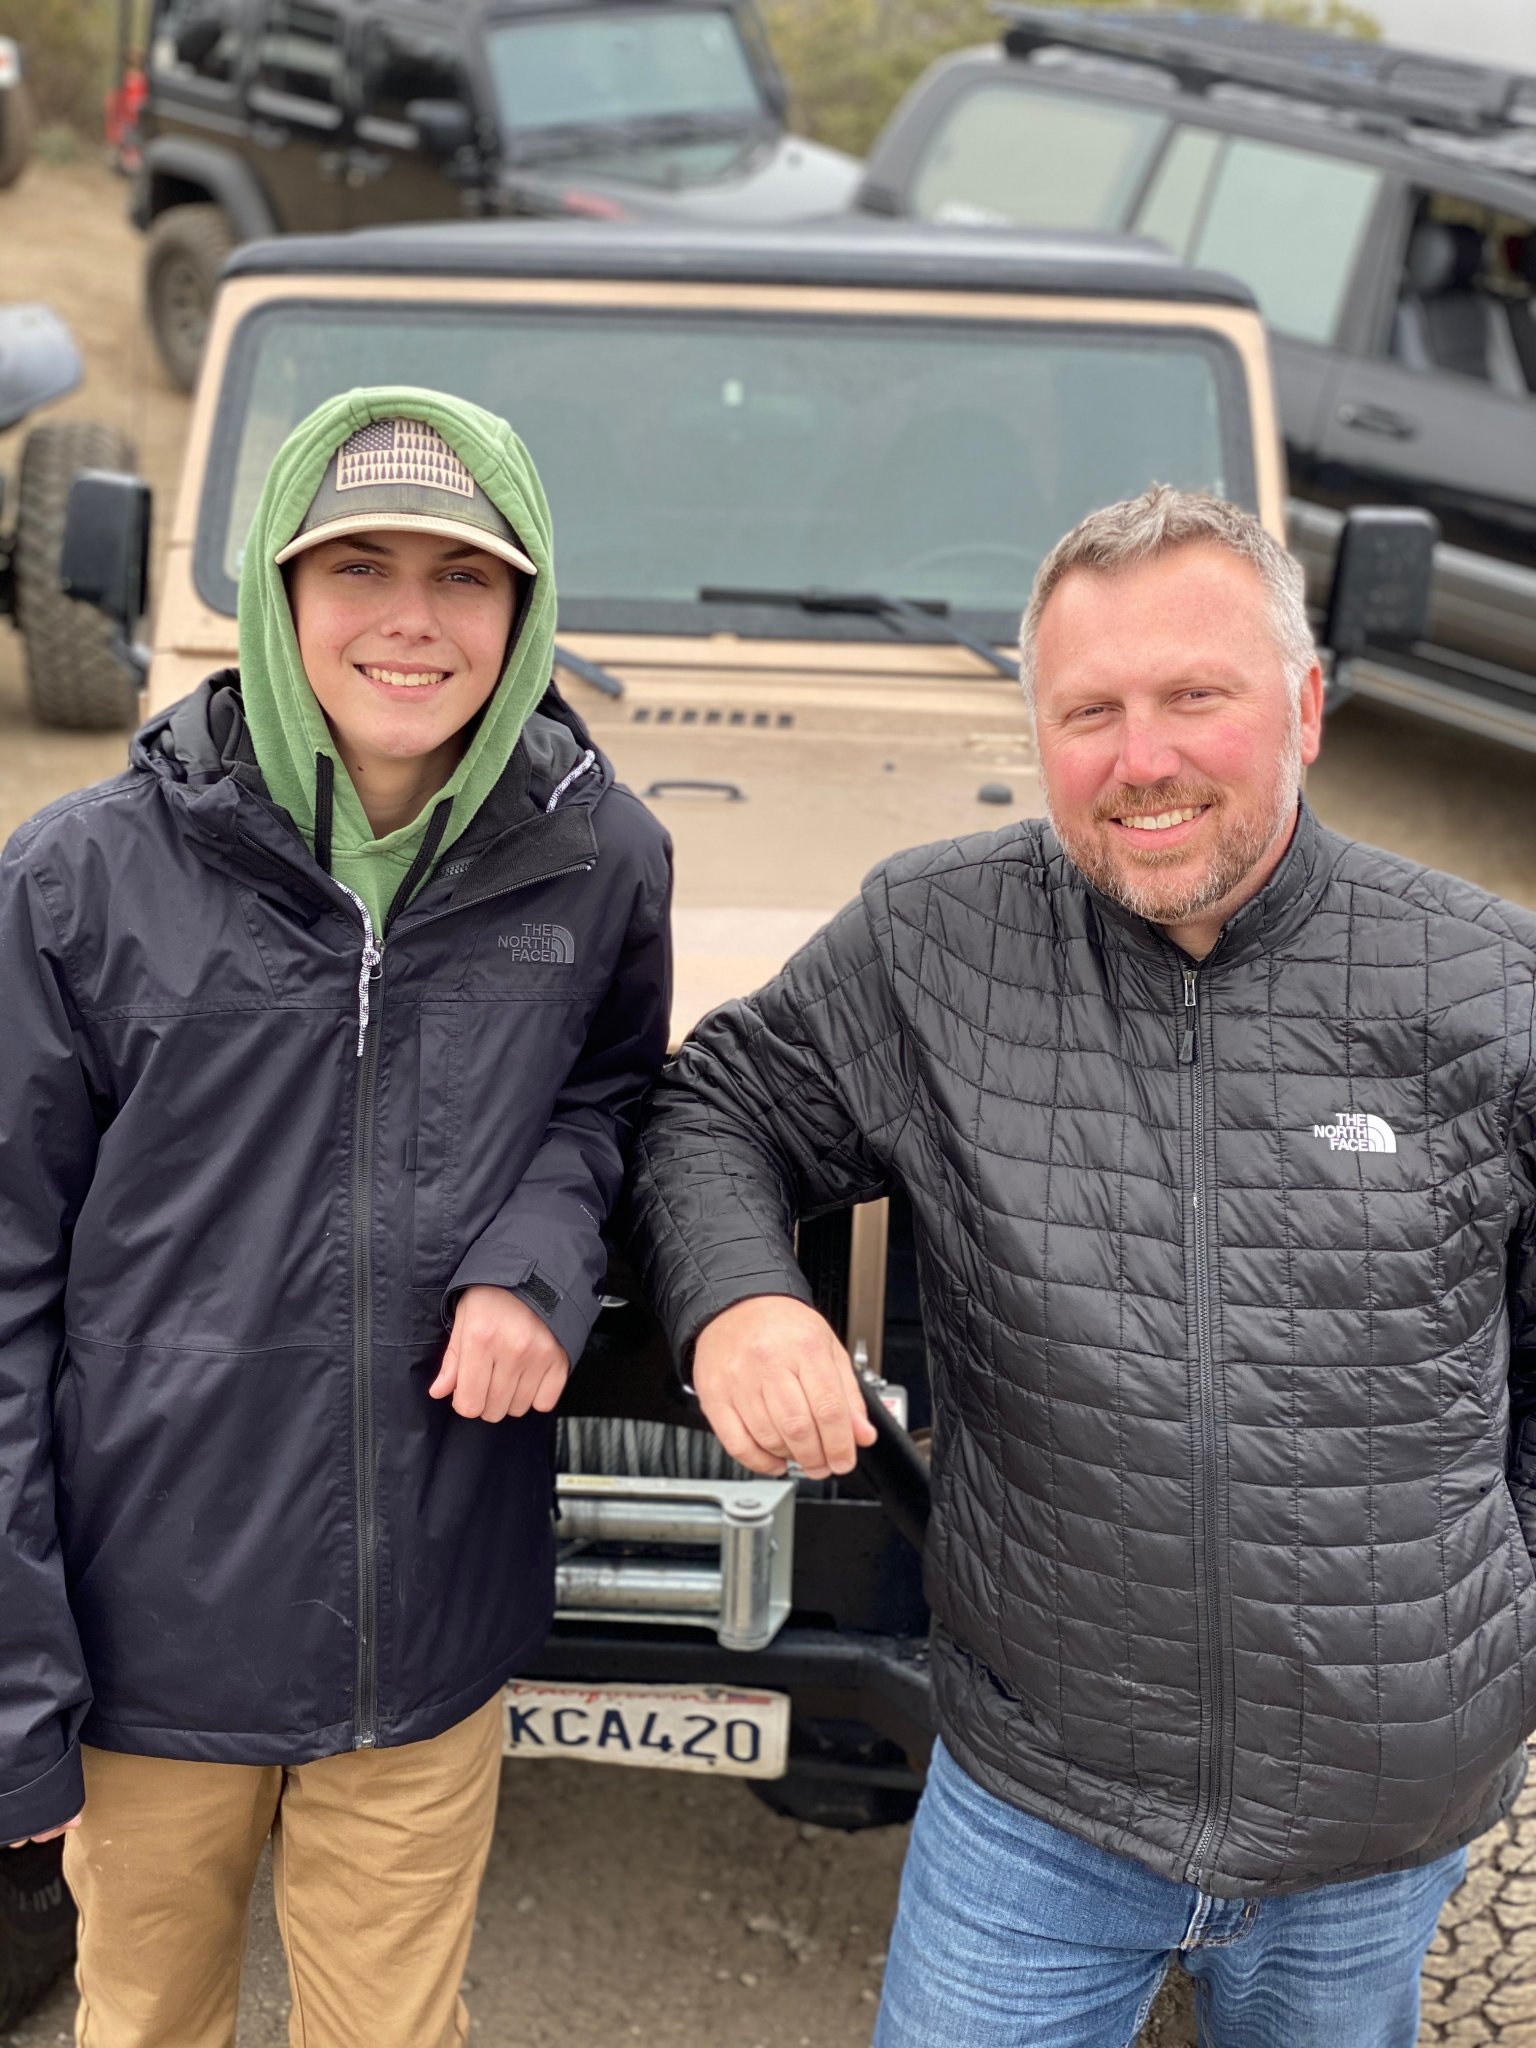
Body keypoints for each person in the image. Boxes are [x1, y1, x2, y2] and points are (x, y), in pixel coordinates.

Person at [628, 485, 1536, 2048]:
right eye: (1089, 711)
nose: (1145, 760)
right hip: (1036, 1804)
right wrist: (742, 1296)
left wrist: (1498, 1621)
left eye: (1198, 697)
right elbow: (717, 1105)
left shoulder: (1488, 985)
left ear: (1305, 706)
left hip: (1381, 1820)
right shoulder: (935, 938)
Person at [0, 389, 671, 2047]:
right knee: (145, 2019)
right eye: (356, 563)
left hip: (425, 1637)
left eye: (465, 575)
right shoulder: (78, 881)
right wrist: (21, 1691)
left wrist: (538, 1260)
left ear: (527, 609)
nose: (409, 620)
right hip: (148, 1648)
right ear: (273, 589)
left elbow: (604, 1107)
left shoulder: (601, 860)